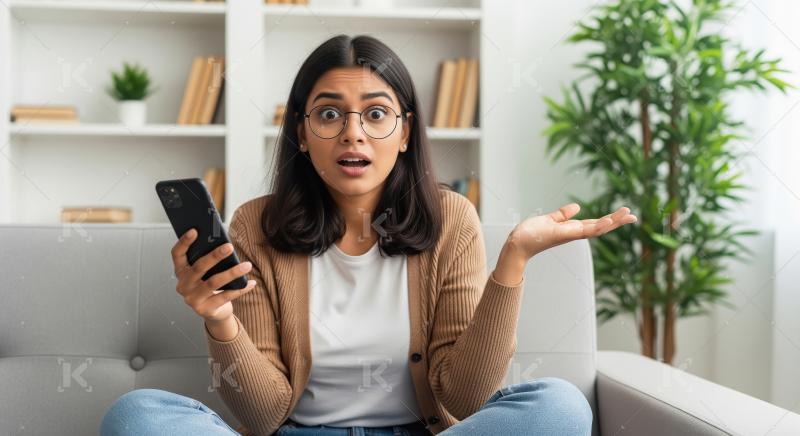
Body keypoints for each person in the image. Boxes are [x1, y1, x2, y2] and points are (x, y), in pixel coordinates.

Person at [100, 34, 636, 436]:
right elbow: (263, 418)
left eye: (376, 113)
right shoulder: (254, 226)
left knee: (559, 406)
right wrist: (219, 320)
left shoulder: (452, 220)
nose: (353, 132)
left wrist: (512, 263)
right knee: (138, 415)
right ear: (302, 135)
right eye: (329, 113)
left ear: (404, 133)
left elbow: (468, 399)